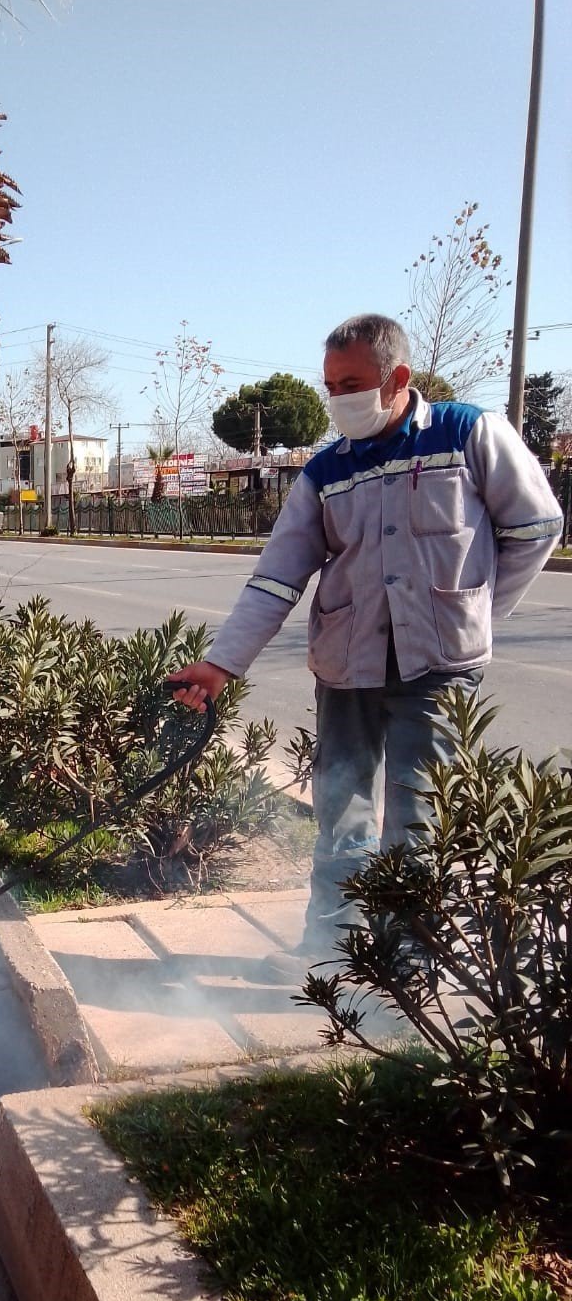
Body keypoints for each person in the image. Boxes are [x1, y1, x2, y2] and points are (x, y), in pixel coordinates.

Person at [171, 313, 562, 967]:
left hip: (438, 667)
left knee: (417, 819)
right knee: (340, 812)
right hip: (346, 665)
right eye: (329, 386)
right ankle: (330, 950)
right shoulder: (325, 471)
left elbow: (535, 527)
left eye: (349, 384)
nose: (336, 399)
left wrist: (476, 611)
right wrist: (220, 664)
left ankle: (405, 964)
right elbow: (276, 578)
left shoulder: (468, 435)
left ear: (397, 377)